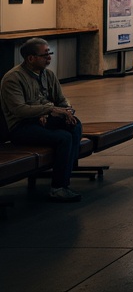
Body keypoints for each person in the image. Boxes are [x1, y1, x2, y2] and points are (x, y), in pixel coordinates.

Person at [1, 37, 83, 201]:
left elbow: (61, 100)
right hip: (21, 127)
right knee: (63, 138)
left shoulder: (48, 75)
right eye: (45, 54)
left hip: (42, 119)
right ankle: (58, 187)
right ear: (30, 58)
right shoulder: (13, 79)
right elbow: (19, 109)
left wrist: (67, 111)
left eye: (49, 53)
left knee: (75, 125)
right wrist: (48, 110)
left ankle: (65, 169)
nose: (49, 57)